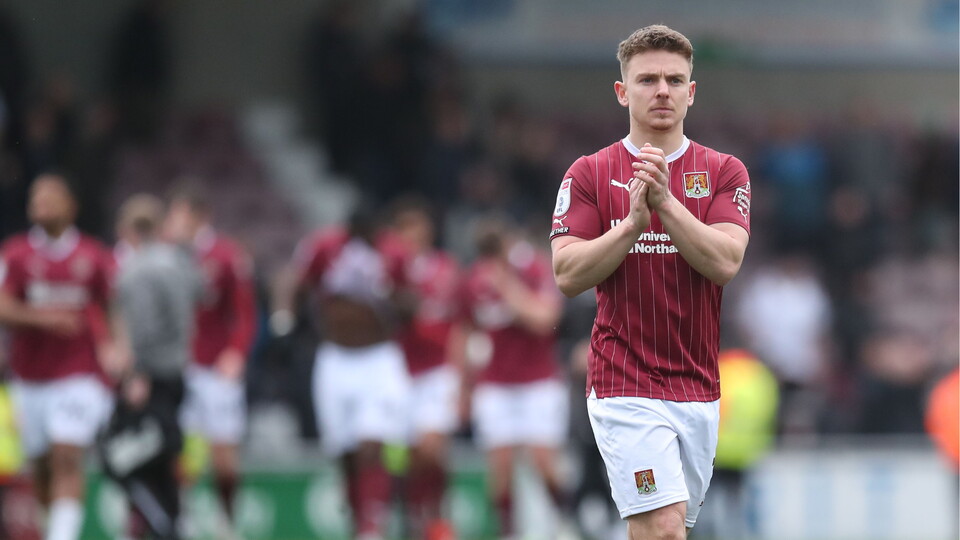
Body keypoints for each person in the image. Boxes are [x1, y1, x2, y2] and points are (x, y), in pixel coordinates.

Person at [549, 25, 752, 540]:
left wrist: (664, 204)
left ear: (691, 91)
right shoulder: (590, 173)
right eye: (647, 80)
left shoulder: (725, 171)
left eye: (673, 79)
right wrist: (632, 226)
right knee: (662, 526)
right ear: (623, 91)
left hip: (697, 385)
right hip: (624, 381)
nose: (661, 90)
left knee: (668, 529)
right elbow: (567, 273)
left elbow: (725, 261)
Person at [272, 204, 412, 540]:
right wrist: (285, 318)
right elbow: (293, 281)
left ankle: (371, 527)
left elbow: (410, 301)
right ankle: (357, 522)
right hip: (336, 358)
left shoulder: (393, 252)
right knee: (345, 452)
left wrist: (389, 294)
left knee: (372, 442)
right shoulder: (324, 247)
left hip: (378, 358)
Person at [0, 173, 116, 540]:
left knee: (67, 452)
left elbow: (113, 305)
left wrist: (118, 347)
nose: (40, 203)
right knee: (42, 465)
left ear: (71, 206)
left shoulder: (93, 255)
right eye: (36, 197)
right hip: (30, 376)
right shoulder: (15, 253)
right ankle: (54, 526)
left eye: (50, 196)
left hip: (79, 374)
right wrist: (44, 319)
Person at [460, 219, 571, 540]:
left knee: (543, 461)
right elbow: (465, 331)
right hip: (495, 383)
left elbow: (545, 319)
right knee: (501, 466)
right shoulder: (474, 280)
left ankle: (564, 521)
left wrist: (507, 286)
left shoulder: (534, 269)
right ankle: (507, 531)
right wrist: (464, 386)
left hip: (538, 381)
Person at [101, 194, 202, 540]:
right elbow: (201, 297)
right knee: (161, 465)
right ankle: (164, 526)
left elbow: (143, 330)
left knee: (118, 461)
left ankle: (166, 529)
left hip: (149, 378)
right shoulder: (180, 263)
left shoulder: (138, 270)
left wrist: (134, 373)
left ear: (129, 230)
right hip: (176, 373)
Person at [164, 183, 257, 532]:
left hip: (216, 367)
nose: (174, 222)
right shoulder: (166, 254)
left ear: (200, 217)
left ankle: (226, 522)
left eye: (180, 214)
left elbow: (245, 312)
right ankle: (181, 523)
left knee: (223, 457)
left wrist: (236, 352)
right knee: (180, 453)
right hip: (176, 367)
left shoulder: (227, 255)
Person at [391, 198, 462, 540]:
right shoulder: (390, 272)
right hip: (398, 372)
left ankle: (436, 517)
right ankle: (412, 516)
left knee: (433, 449)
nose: (412, 236)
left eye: (417, 229)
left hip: (437, 371)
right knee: (402, 454)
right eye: (405, 230)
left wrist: (463, 379)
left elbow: (461, 322)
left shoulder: (445, 268)